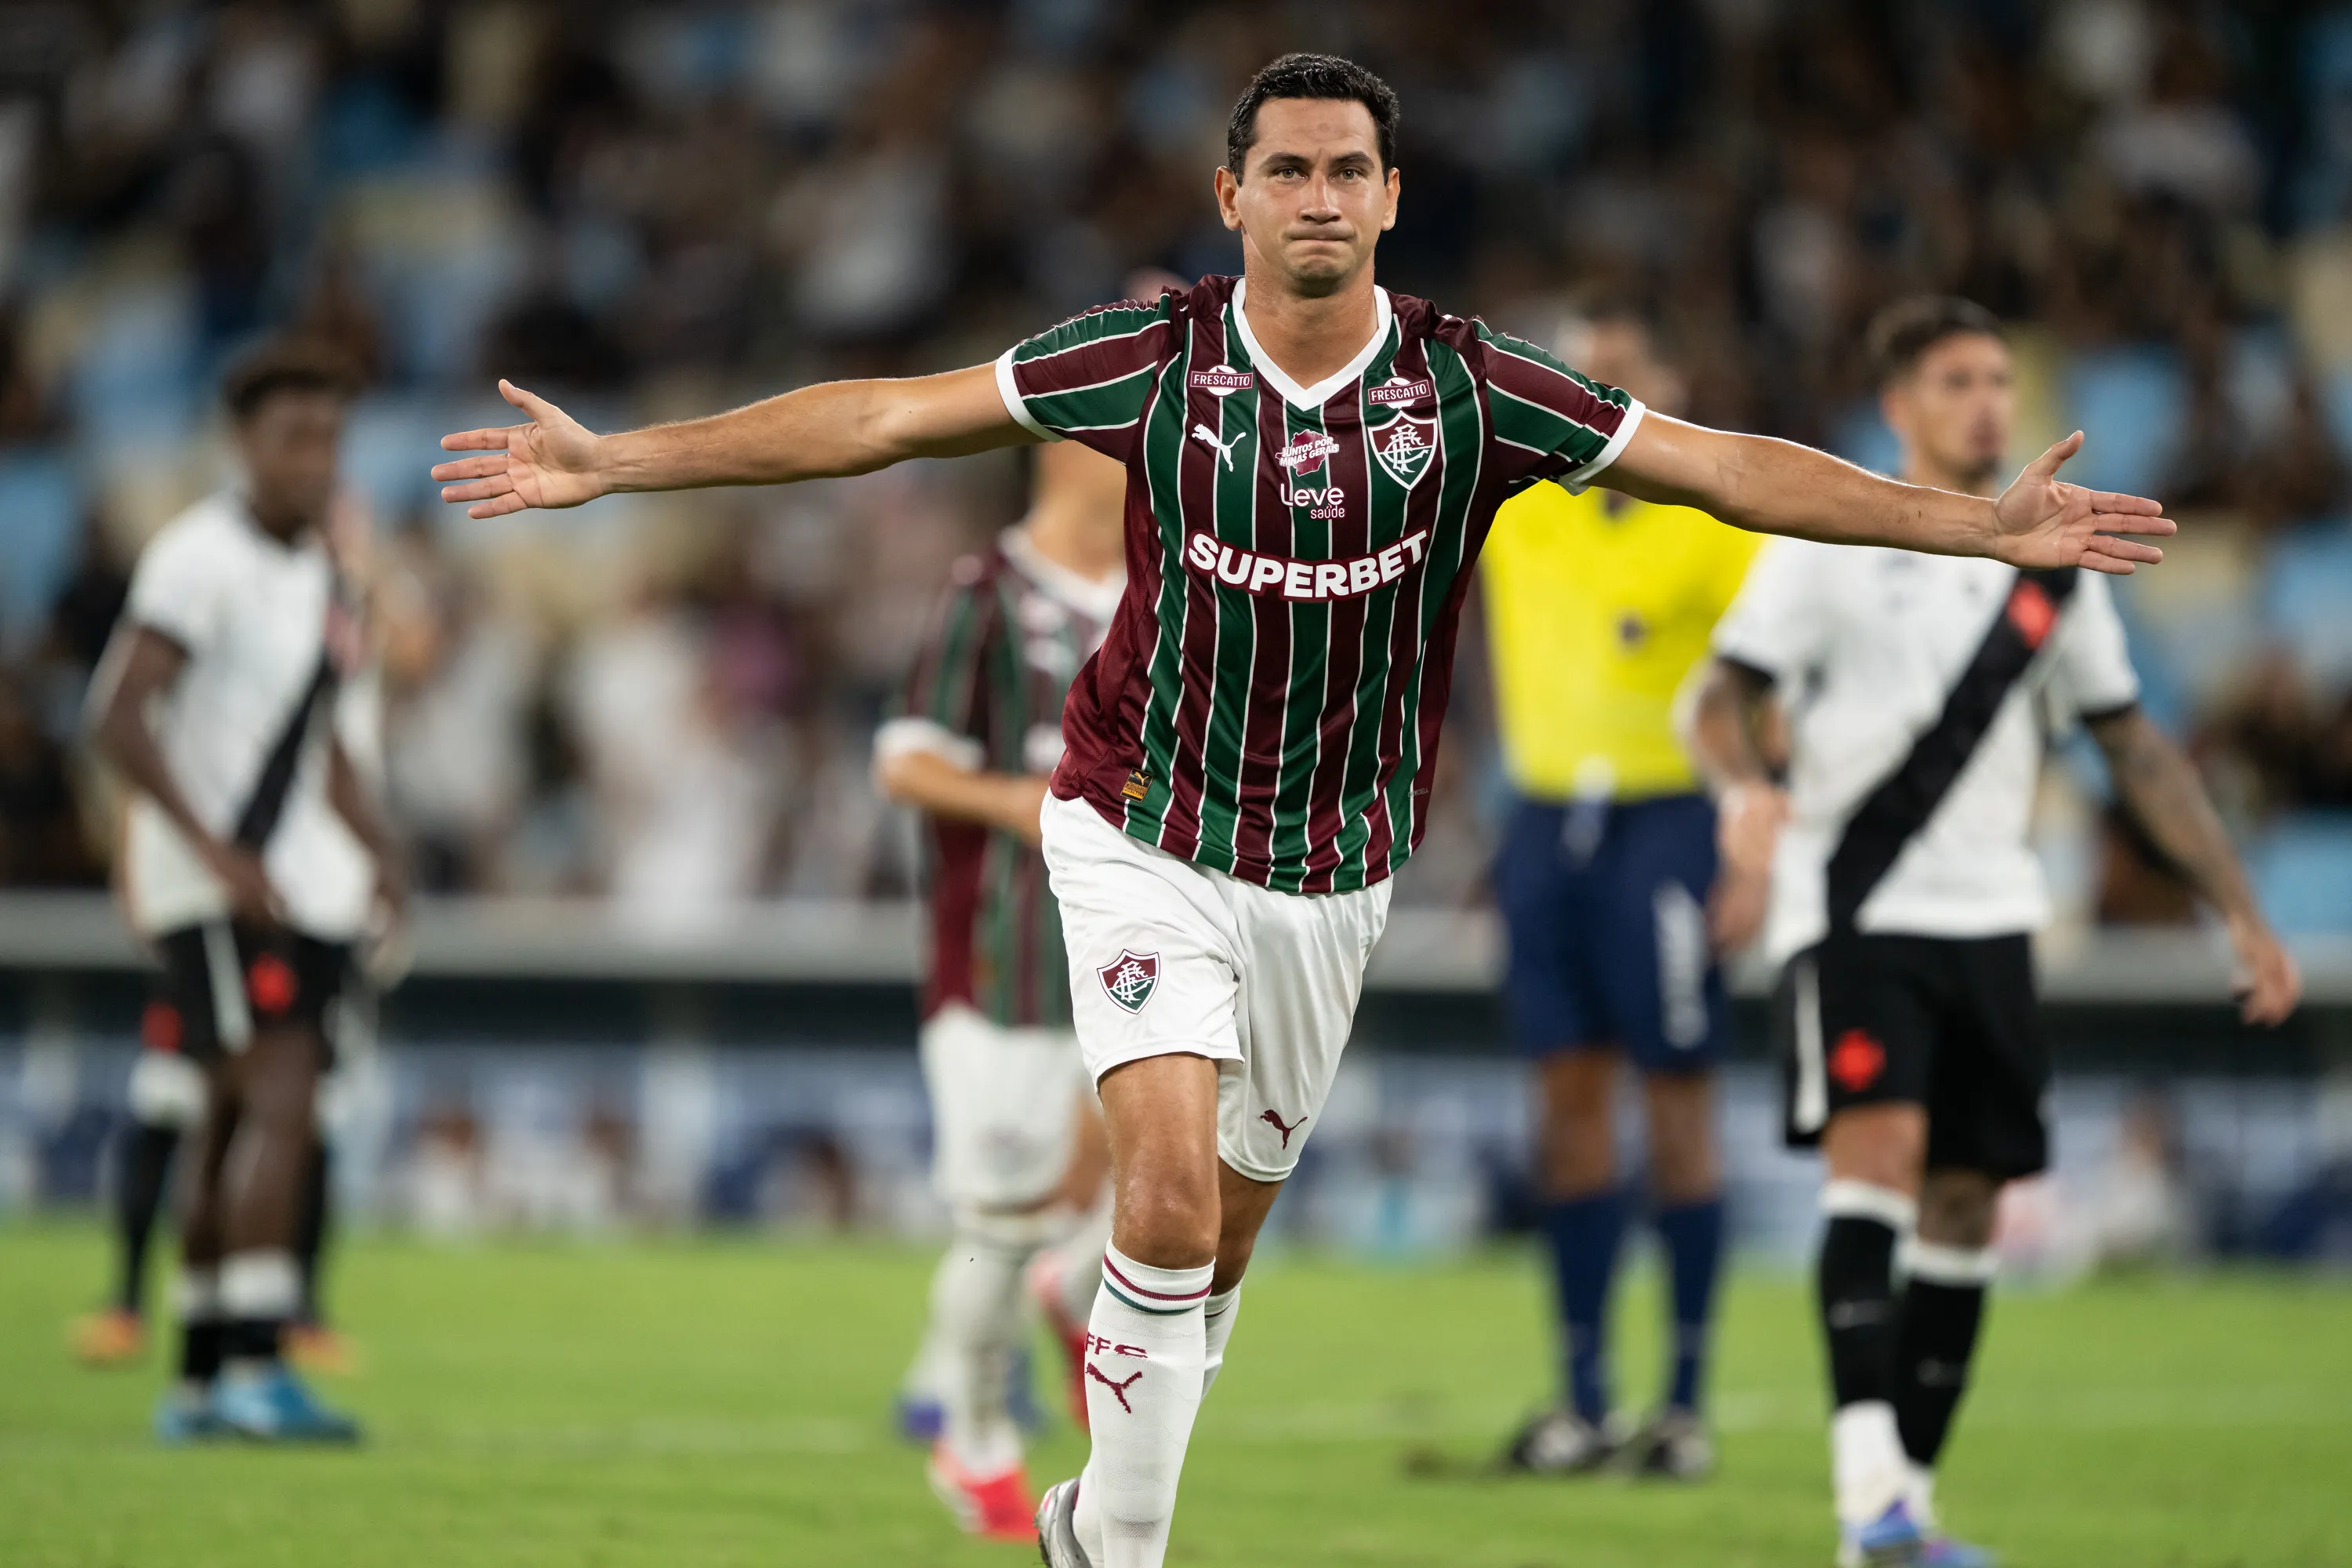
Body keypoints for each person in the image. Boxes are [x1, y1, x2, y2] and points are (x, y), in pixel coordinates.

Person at [434, 57, 2172, 1568]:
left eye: (1350, 168)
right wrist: (619, 461)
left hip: (1334, 879)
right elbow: (889, 416)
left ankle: (1082, 1513)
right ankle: (1121, 1544)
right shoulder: (1147, 357)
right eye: (1288, 168)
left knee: (1220, 1240)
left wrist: (1970, 525)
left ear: (1392, 196)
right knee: (1168, 1206)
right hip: (1137, 827)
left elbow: (1719, 463)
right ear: (1233, 194)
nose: (1320, 194)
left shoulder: (1473, 385)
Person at [1688, 296, 2298, 1567]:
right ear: (1900, 405)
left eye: (1998, 380)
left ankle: (1899, 1510)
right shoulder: (1829, 540)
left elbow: (2134, 747)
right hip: (1855, 912)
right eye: (1957, 381)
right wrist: (1745, 793)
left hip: (1996, 920)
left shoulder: (2057, 568)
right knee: (1881, 1161)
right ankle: (1872, 1502)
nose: (1984, 403)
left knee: (1965, 1210)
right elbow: (1719, 697)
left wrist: (2239, 908)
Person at [89, 339, 404, 1444]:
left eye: (329, 437)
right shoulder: (198, 556)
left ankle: (199, 1381)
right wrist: (209, 850)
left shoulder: (325, 578)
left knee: (232, 1115)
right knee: (281, 1092)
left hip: (294, 884)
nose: (315, 458)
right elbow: (119, 712)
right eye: (293, 437)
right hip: (221, 884)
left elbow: (327, 749)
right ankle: (259, 1369)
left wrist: (384, 856)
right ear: (242, 445)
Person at [1479, 299, 1758, 1479]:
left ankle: (1684, 1406)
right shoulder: (1520, 511)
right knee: (1568, 1106)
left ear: (1668, 386)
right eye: (1581, 376)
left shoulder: (1719, 523)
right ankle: (1586, 1401)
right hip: (1542, 827)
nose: (1596, 398)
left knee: (1679, 1104)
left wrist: (1754, 837)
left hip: (1672, 824)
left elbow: (1774, 688)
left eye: (1622, 373)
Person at [877, 432, 1127, 1539]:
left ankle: (1074, 1294)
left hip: (1135, 945)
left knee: (1156, 1190)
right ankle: (970, 1433)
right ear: (1070, 447)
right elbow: (904, 760)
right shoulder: (988, 593)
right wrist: (1024, 800)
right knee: (1002, 1215)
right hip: (1001, 958)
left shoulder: (1180, 589)